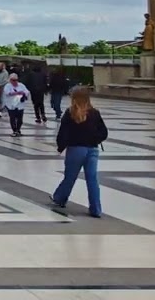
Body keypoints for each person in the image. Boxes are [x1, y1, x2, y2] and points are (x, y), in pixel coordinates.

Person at [50, 87, 108, 218]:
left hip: (76, 149)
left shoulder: (70, 113)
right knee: (92, 179)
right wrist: (95, 139)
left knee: (70, 177)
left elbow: (63, 132)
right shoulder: (95, 113)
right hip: (92, 149)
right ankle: (96, 209)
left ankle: (60, 198)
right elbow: (104, 132)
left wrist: (61, 146)